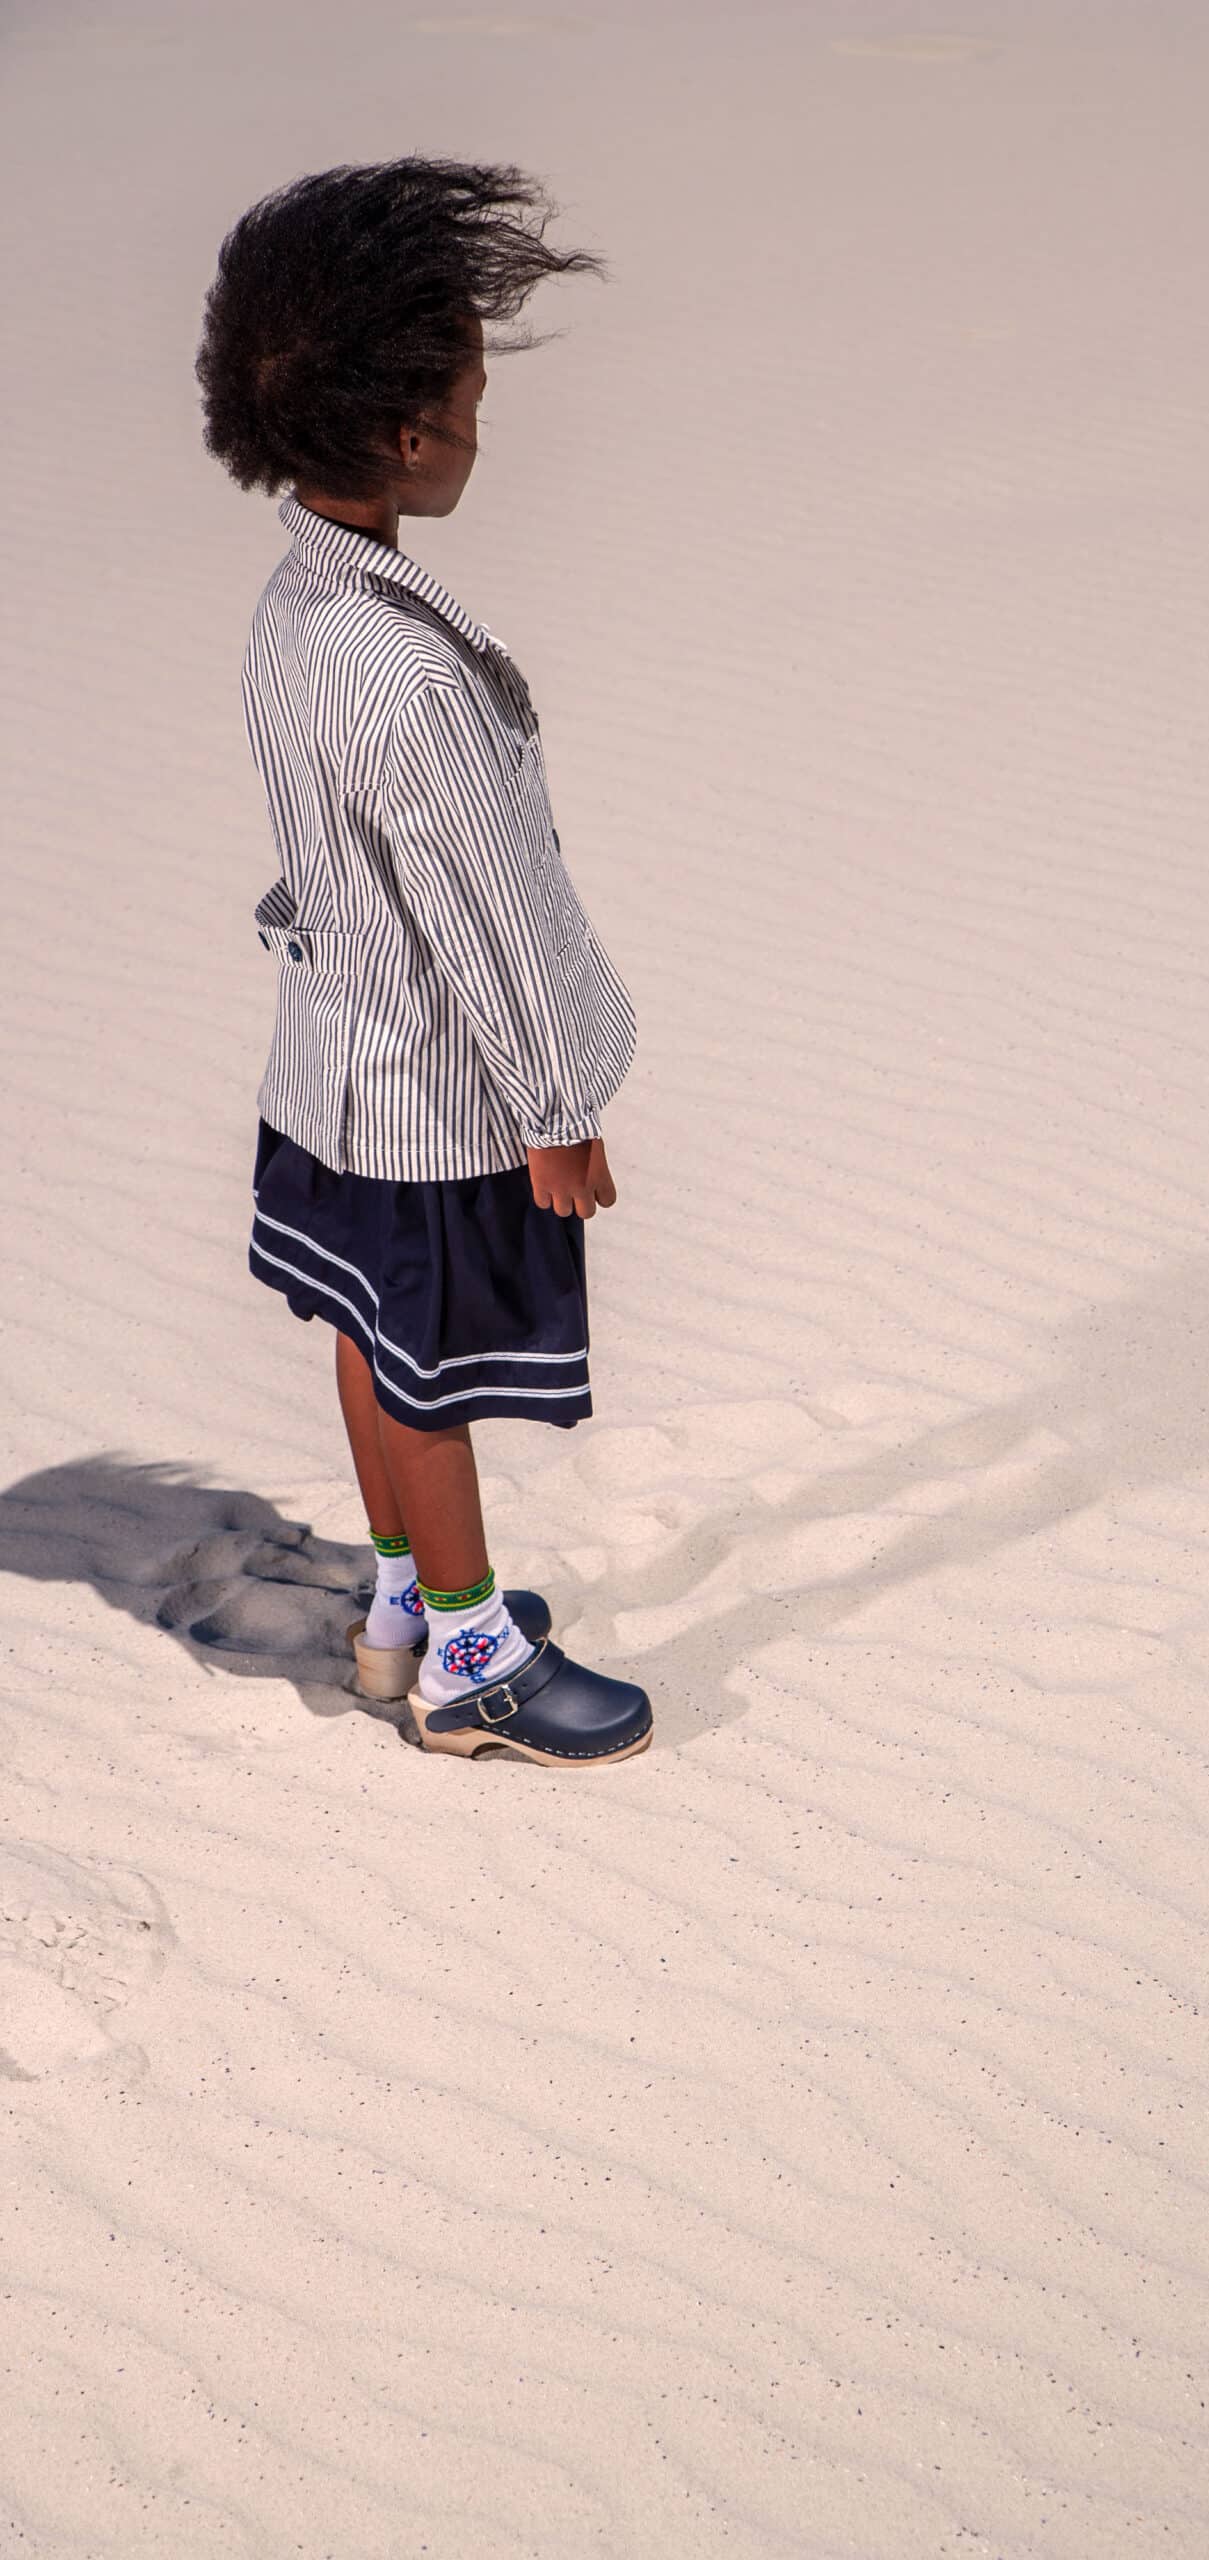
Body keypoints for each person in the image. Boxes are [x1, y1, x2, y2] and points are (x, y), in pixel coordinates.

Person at [196, 158, 651, 1767]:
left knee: (365, 1339)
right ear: (402, 435)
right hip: (434, 1100)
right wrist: (559, 1104)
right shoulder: (403, 677)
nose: (476, 424)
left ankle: (395, 1611)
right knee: (433, 1370)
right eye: (465, 397)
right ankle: (472, 1660)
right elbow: (490, 910)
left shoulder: (297, 605)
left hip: (327, 1069)